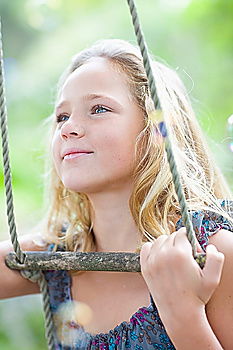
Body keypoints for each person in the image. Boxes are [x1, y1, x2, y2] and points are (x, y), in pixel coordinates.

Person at [0, 38, 233, 349]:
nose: (68, 128)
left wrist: (183, 313)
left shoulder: (211, 252)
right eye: (62, 117)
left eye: (98, 108)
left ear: (155, 131)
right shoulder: (56, 256)